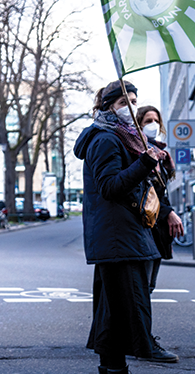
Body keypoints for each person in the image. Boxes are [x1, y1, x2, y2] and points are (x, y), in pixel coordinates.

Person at [74, 80, 162, 374]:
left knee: (112, 311)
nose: (131, 107)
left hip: (119, 236)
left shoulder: (122, 137)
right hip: (117, 236)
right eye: (125, 102)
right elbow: (110, 187)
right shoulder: (106, 139)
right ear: (108, 106)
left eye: (134, 101)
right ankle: (134, 353)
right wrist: (145, 164)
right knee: (128, 305)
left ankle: (113, 367)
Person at [135, 105, 181, 363]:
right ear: (138, 124)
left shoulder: (161, 153)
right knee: (142, 288)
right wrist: (169, 212)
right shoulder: (139, 150)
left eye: (155, 120)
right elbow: (145, 193)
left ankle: (138, 338)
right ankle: (142, 341)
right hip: (147, 226)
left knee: (147, 287)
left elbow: (160, 192)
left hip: (157, 227)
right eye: (147, 120)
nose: (152, 124)